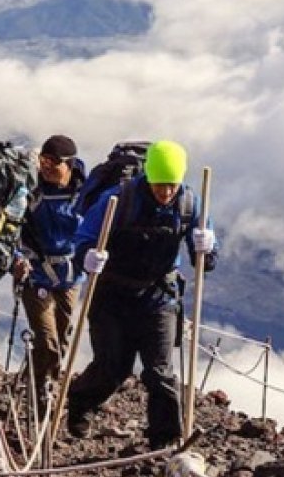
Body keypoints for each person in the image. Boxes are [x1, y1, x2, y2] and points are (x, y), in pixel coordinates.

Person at [66, 140, 218, 449]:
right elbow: (82, 239)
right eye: (160, 184)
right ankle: (80, 402)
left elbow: (205, 260)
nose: (165, 192)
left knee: (160, 372)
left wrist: (208, 248)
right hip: (112, 295)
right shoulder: (118, 199)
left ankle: (163, 443)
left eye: (171, 185)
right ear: (148, 176)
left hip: (159, 296)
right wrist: (87, 256)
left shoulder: (190, 204)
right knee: (112, 368)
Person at [12, 135, 86, 416]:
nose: (45, 167)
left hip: (71, 276)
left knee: (62, 339)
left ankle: (35, 379)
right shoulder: (30, 192)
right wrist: (17, 259)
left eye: (53, 163)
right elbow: (12, 228)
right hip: (36, 274)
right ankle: (42, 391)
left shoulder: (85, 194)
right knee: (47, 340)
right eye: (42, 161)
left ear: (69, 164)